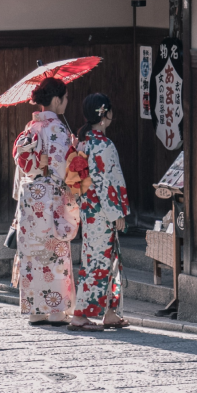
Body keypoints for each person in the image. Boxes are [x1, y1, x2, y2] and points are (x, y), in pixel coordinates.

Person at [12, 77, 79, 326]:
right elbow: (63, 168)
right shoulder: (58, 129)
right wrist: (74, 149)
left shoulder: (31, 127)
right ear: (56, 99)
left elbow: (23, 165)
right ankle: (56, 310)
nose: (66, 102)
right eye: (65, 97)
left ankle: (35, 310)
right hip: (51, 198)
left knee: (31, 253)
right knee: (54, 253)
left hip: (30, 199)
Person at [66, 92, 131, 332]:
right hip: (102, 211)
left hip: (89, 209)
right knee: (97, 261)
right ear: (105, 114)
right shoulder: (103, 145)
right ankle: (81, 315)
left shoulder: (82, 142)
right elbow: (107, 182)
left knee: (106, 259)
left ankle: (111, 312)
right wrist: (118, 213)